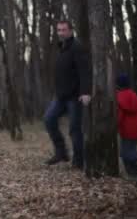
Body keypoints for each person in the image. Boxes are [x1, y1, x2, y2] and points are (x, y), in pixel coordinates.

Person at [44, 20, 92, 170]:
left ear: (71, 31)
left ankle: (79, 162)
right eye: (59, 30)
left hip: (75, 97)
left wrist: (85, 92)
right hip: (61, 96)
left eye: (64, 30)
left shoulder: (77, 47)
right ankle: (61, 153)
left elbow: (85, 71)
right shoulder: (62, 48)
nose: (61, 33)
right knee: (49, 119)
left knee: (74, 129)